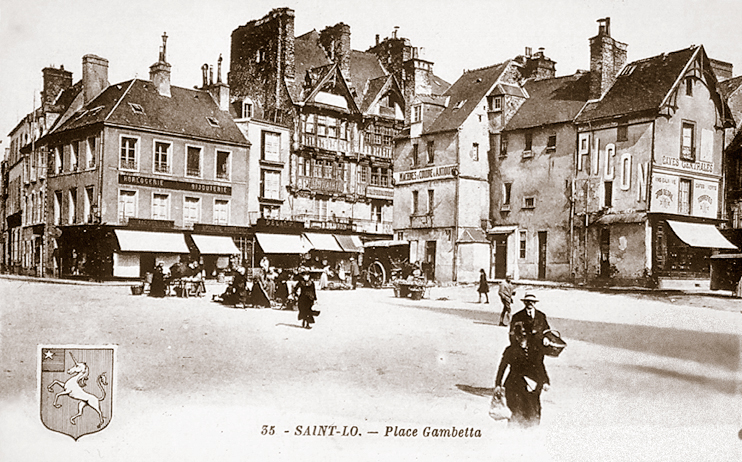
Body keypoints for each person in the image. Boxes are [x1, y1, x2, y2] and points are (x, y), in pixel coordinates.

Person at [494, 321, 550, 427]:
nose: (521, 339)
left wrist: (546, 381)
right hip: (514, 386)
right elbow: (502, 367)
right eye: (519, 336)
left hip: (532, 386)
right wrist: (498, 384)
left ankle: (531, 436)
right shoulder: (510, 350)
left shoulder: (535, 350)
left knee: (534, 414)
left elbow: (540, 366)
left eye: (524, 336)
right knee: (516, 413)